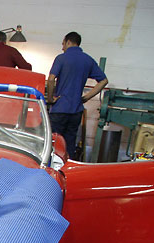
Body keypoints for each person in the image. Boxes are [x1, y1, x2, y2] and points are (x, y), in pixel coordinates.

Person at [47, 31, 108, 160]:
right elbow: (104, 81)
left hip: (59, 109)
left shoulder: (61, 58)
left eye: (63, 44)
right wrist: (87, 97)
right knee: (70, 144)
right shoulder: (88, 60)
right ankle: (68, 172)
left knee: (53, 142)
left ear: (69, 42)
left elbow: (51, 79)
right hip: (76, 110)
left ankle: (51, 172)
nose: (62, 47)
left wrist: (50, 98)